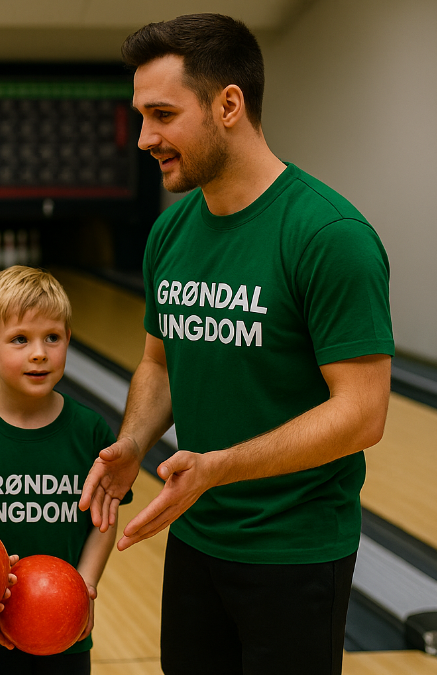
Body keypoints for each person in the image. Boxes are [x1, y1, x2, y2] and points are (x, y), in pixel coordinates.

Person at [78, 13, 394, 675]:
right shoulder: (170, 233)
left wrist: (220, 466)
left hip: (296, 551)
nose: (145, 138)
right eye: (141, 117)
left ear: (229, 105)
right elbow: (160, 365)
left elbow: (362, 413)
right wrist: (133, 442)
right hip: (196, 536)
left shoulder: (328, 235)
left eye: (163, 115)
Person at [0, 266, 132, 675]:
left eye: (52, 337)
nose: (39, 353)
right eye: (20, 339)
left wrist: (85, 586)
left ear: (68, 339)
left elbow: (104, 520)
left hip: (66, 625)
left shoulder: (90, 430)